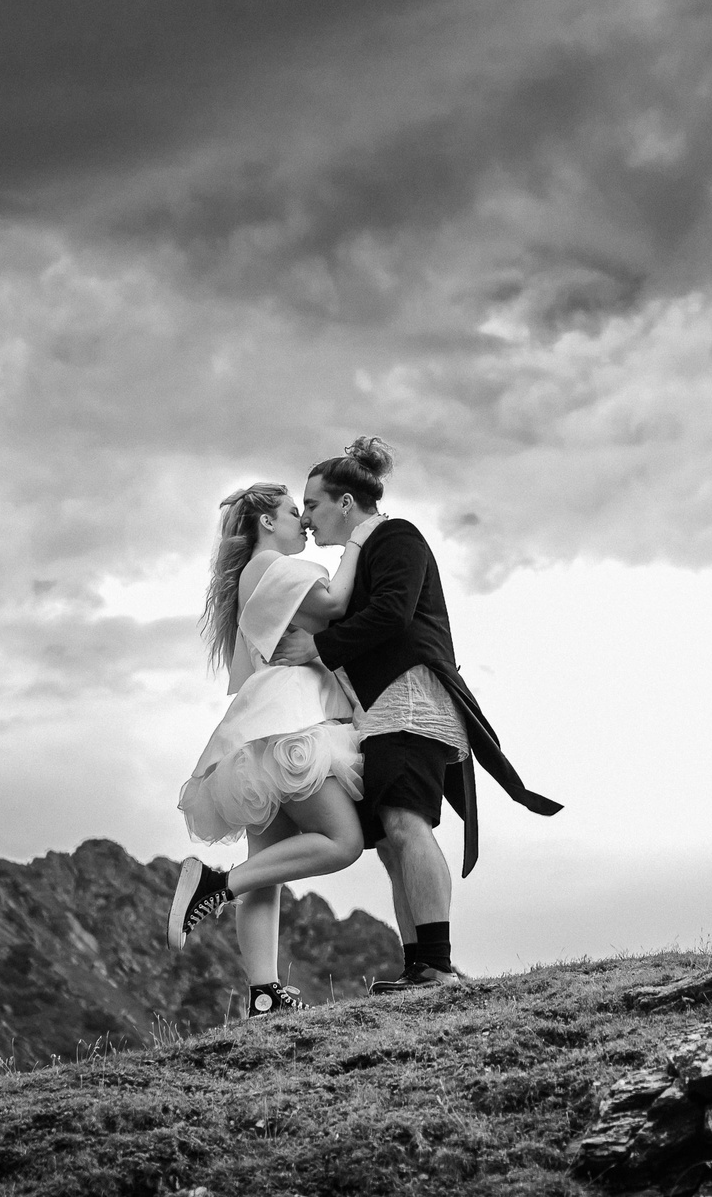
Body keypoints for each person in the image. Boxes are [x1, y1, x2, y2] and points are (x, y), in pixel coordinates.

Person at [268, 436, 562, 992]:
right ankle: (419, 966)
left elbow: (394, 615)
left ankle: (437, 964)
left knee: (407, 825)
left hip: (413, 701)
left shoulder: (397, 535)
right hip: (380, 713)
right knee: (389, 839)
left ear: (346, 504)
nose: (306, 519)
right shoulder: (366, 552)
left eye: (312, 504)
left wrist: (319, 650)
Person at [165, 481, 367, 1017]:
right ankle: (215, 882)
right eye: (292, 512)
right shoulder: (273, 566)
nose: (303, 521)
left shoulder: (255, 577)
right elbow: (336, 602)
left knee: (267, 867)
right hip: (294, 719)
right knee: (342, 841)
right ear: (266, 523)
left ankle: (262, 992)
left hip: (260, 730)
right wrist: (358, 542)